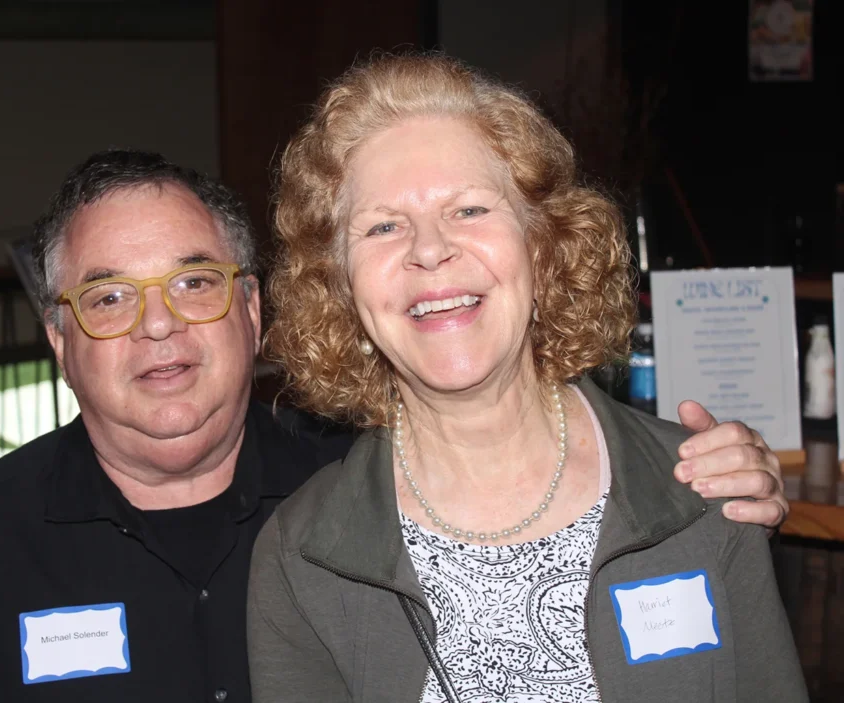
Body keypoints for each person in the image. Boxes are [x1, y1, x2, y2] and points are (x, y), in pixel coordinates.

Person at [0, 148, 787, 703]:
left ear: (252, 313)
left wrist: (703, 476)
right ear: (60, 340)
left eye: (195, 284)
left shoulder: (380, 497)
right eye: (108, 297)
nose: (158, 326)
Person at [247, 54, 806, 702]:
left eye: (468, 210)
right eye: (384, 225)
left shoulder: (704, 492)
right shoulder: (302, 557)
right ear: (341, 286)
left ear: (544, 246)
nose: (429, 249)